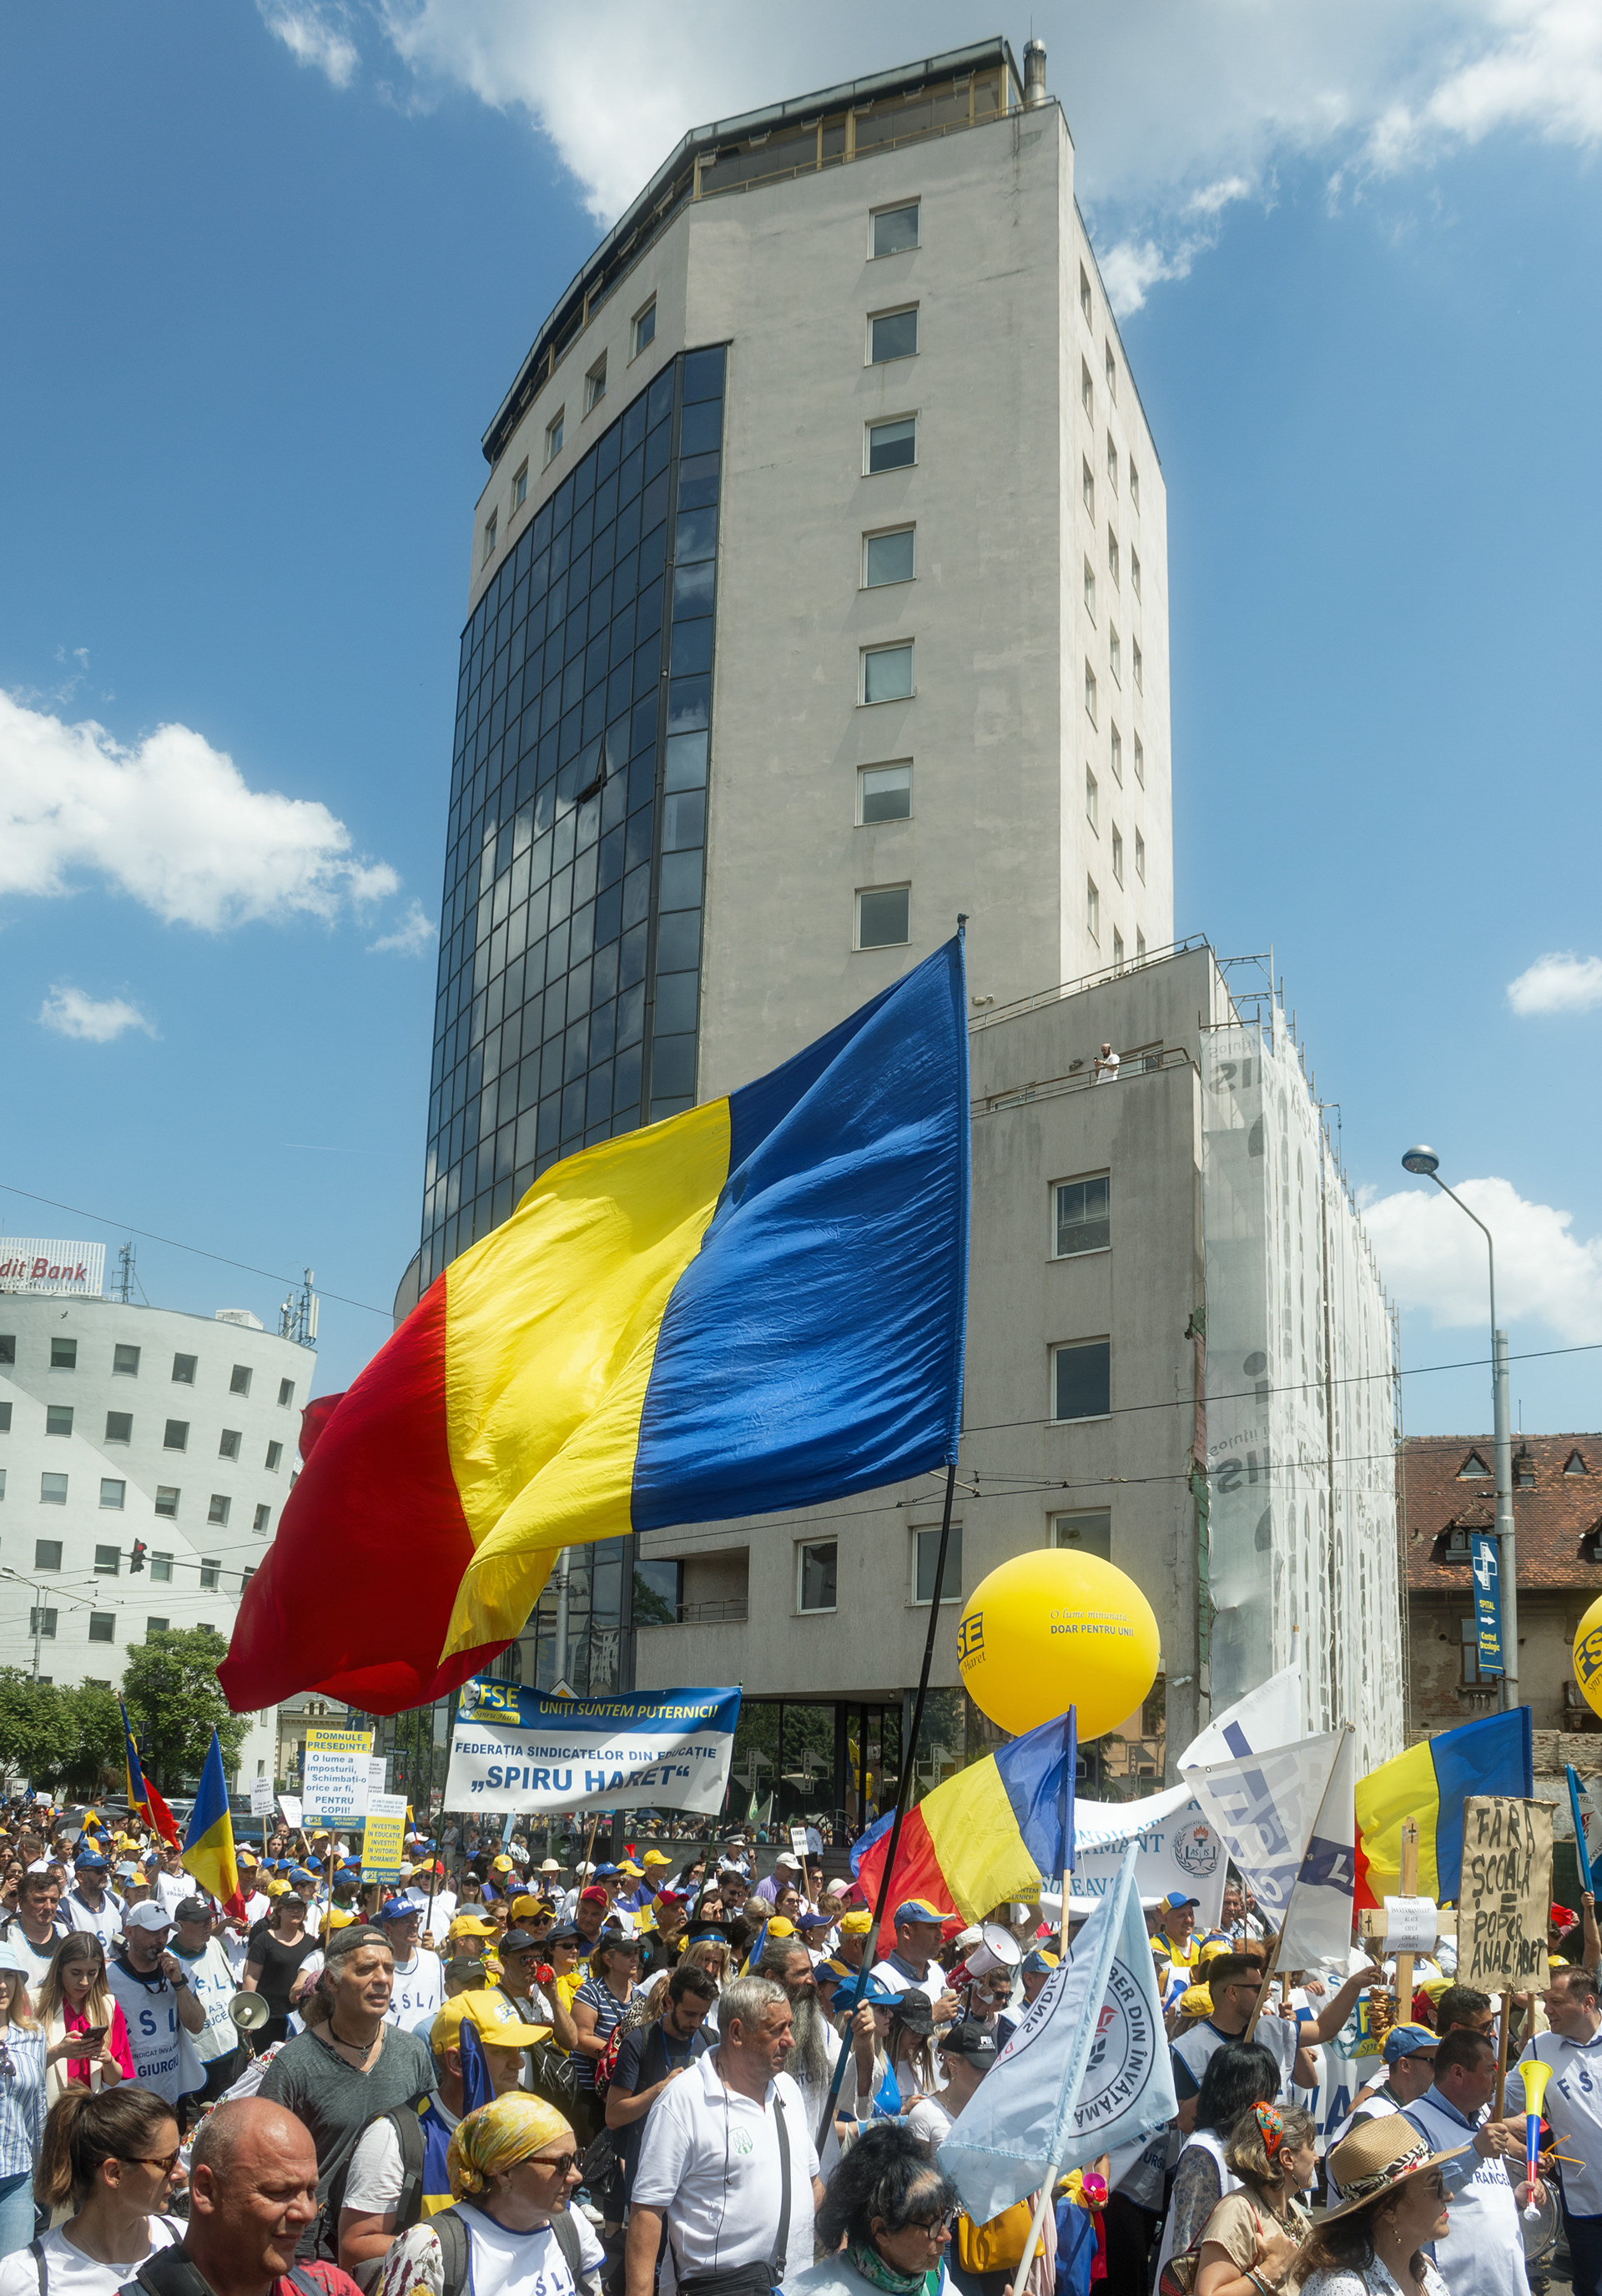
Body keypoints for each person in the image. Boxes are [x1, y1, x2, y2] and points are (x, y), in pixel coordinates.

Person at [626, 1973, 824, 2296]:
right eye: (777, 2030)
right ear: (737, 2032)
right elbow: (647, 2212)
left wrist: (842, 2237)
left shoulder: (788, 2089)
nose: (790, 2039)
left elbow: (811, 2182)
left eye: (789, 2026)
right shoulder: (684, 2101)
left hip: (794, 2287)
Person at [338, 1991, 548, 2284]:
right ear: (458, 2062)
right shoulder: (395, 2136)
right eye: (502, 2050)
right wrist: (463, 2248)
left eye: (518, 2050)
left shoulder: (527, 2127)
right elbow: (353, 2248)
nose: (519, 2063)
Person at [257, 1924, 436, 2260]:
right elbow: (264, 2159)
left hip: (391, 2245)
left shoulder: (412, 2052)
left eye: (389, 1968)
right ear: (333, 1981)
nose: (382, 1978)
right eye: (366, 1969)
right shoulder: (295, 2064)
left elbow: (432, 2139)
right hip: (313, 2253)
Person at [370, 2092, 601, 2296]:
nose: (576, 2176)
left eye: (576, 2158)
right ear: (505, 2173)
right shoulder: (430, 2248)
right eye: (561, 2163)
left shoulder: (572, 2224)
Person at [4, 2088, 180, 2296]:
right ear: (114, 2173)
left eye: (178, 2154)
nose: (180, 2173)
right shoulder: (26, 2279)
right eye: (167, 2161)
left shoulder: (184, 2243)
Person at [1172, 1949, 1378, 2122]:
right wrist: (1224, 2084)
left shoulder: (1272, 2028)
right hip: (1230, 2162)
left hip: (1278, 2156)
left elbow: (1323, 2029)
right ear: (1233, 1993)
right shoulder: (1189, 2048)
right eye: (1257, 1989)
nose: (1266, 1993)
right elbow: (1184, 2122)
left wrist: (1353, 1985)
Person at [1399, 2023, 1527, 2296]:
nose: (1498, 2078)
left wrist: (1514, 2199)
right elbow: (1420, 2195)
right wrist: (1475, 2152)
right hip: (1456, 2280)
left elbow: (1479, 2194)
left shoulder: (1481, 2118)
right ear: (1458, 2072)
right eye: (1490, 2070)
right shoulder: (1413, 2122)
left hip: (1502, 2277)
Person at [1507, 1963, 1602, 2295]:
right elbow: (1504, 2100)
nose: (1546, 2010)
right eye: (1546, 2000)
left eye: (1556, 2002)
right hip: (1585, 2205)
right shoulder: (1539, 2047)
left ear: (1587, 2003)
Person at [1155, 2040, 1282, 2288]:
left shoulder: (1240, 2145)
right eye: (1266, 2094)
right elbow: (1188, 2249)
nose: (1270, 2106)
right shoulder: (1204, 2151)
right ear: (1242, 2091)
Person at [782, 2120, 959, 2296]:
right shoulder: (822, 2291)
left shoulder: (934, 2276)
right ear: (882, 2231)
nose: (946, 2236)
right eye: (932, 2227)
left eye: (944, 2219)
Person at [1297, 2113, 1463, 2296]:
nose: (1449, 2195)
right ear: (1389, 2207)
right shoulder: (1344, 2289)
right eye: (1436, 2184)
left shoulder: (1424, 2272)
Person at [605, 1962, 717, 2201]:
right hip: (650, 2165)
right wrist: (661, 2089)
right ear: (669, 2003)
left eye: (703, 2015)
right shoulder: (638, 2042)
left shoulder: (710, 2041)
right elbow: (613, 2116)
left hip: (698, 2167)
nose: (696, 2023)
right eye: (689, 2014)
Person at [1186, 2103, 1315, 2296]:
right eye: (1311, 2148)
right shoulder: (1237, 2210)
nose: (1317, 2157)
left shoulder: (1291, 2208)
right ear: (1287, 2158)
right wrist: (1273, 2267)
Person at [103, 1906, 205, 2111]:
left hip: (170, 2090)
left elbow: (196, 2025)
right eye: (152, 1932)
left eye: (165, 1932)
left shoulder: (180, 1969)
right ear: (130, 1932)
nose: (160, 1939)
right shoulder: (108, 1978)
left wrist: (179, 1984)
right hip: (128, 2098)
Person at [1326, 2027, 1439, 2174]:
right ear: (1405, 2065)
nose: (1440, 2070)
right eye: (1433, 2062)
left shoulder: (1414, 2108)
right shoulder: (1374, 2116)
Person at [34, 1936, 133, 2103]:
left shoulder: (108, 2006)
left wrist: (107, 2058)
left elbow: (113, 2079)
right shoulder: (34, 2003)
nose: (84, 1982)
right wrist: (58, 2053)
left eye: (92, 1973)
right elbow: (19, 2069)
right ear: (59, 1967)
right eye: (76, 1973)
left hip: (89, 2116)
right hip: (48, 2114)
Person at [0, 1942, 48, 2258]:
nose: (2, 1984)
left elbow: (38, 2108)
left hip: (17, 2177)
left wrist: (45, 2169)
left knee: (14, 2280)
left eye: (9, 1975)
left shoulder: (34, 2035)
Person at [567, 1934, 637, 2144]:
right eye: (627, 1954)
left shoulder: (640, 1996)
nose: (635, 1958)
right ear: (609, 1960)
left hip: (622, 2090)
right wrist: (620, 2054)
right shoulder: (591, 1992)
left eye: (636, 1953)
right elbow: (580, 2038)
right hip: (589, 2092)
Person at [901, 2022, 996, 2159]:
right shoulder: (924, 2115)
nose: (987, 2073)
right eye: (979, 2066)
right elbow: (914, 2178)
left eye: (991, 2066)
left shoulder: (992, 2112)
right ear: (953, 2065)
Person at [243, 1894, 323, 2048]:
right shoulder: (264, 1940)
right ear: (279, 1911)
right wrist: (249, 2012)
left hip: (300, 2018)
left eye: (299, 1908)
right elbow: (251, 1977)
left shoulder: (310, 1942)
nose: (295, 1912)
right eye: (290, 1907)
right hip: (267, 2016)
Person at [867, 1904, 962, 2022]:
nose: (941, 1935)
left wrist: (977, 2013)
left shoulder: (936, 1970)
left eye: (940, 1927)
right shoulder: (880, 1979)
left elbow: (956, 2025)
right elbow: (883, 2036)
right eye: (932, 1927)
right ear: (906, 1932)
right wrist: (931, 2018)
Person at [374, 1903, 446, 2040]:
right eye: (406, 1920)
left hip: (432, 2048)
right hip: (395, 2048)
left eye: (415, 1919)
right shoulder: (378, 1968)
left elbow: (444, 2005)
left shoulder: (432, 1960)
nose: (414, 1925)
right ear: (388, 1928)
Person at [2, 1873, 72, 1992]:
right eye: (40, 1900)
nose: (48, 1907)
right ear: (21, 1903)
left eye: (54, 1900)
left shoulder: (66, 1935)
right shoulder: (5, 1940)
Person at [63, 1856, 125, 1956]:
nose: (105, 1874)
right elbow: (66, 1952)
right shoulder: (65, 1907)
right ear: (81, 1876)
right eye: (99, 1870)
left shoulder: (116, 1901)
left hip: (117, 1969)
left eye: (106, 1868)